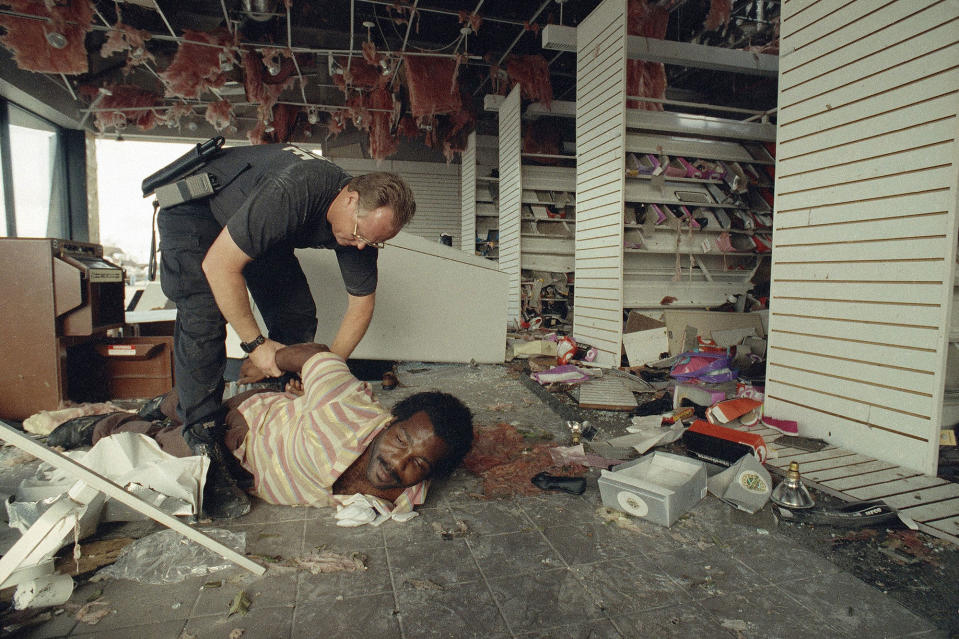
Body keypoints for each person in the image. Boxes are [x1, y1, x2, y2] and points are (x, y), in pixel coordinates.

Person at [153, 144, 416, 514]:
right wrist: (256, 345)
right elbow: (219, 266)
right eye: (359, 234)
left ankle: (267, 408)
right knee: (205, 315)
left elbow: (361, 304)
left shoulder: (362, 228)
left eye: (372, 243)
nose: (361, 246)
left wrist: (322, 373)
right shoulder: (296, 191)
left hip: (248, 219)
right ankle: (202, 442)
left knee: (296, 313)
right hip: (196, 212)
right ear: (350, 198)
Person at [47, 343, 474, 519]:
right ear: (391, 422)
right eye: (401, 441)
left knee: (171, 451)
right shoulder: (348, 406)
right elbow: (319, 358)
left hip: (242, 472)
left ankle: (162, 411)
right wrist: (269, 357)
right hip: (245, 428)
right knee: (162, 436)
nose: (397, 463)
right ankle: (103, 424)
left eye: (418, 462)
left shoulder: (411, 495)